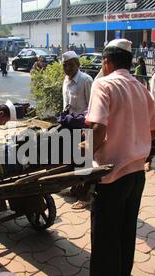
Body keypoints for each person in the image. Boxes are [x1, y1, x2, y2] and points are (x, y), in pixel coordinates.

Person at [84, 39, 155, 276]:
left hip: (111, 176)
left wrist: (77, 154)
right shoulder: (141, 87)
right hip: (136, 174)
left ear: (106, 62)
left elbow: (97, 130)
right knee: (126, 232)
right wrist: (134, 137)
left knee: (106, 240)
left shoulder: (103, 83)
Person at [62, 50, 93, 210]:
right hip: (70, 125)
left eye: (71, 65)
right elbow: (65, 104)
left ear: (78, 65)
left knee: (84, 161)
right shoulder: (66, 81)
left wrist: (86, 126)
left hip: (84, 127)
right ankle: (75, 188)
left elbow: (92, 106)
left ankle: (85, 196)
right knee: (73, 159)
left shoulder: (86, 80)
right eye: (65, 65)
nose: (67, 68)